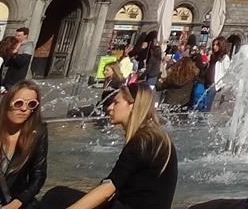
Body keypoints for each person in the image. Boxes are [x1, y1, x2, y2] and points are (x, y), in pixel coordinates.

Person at [40, 84, 176, 209]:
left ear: (133, 106)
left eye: (116, 103)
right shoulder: (156, 137)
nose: (109, 108)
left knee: (57, 196)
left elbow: (108, 188)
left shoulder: (142, 141)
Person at [0, 80, 47, 209]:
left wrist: (17, 202)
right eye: (18, 103)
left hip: (14, 200)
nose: (24, 109)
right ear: (7, 103)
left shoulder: (37, 133)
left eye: (31, 104)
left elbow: (38, 175)